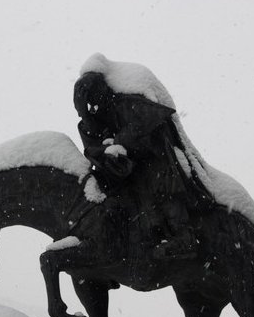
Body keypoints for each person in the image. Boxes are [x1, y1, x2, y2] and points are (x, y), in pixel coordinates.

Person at [73, 70, 198, 260]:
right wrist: (86, 117)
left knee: (161, 185)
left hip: (155, 158)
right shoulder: (98, 115)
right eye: (88, 103)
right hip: (128, 167)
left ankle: (184, 236)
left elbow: (146, 122)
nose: (93, 105)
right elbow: (92, 145)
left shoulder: (127, 102)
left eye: (92, 98)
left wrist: (118, 142)